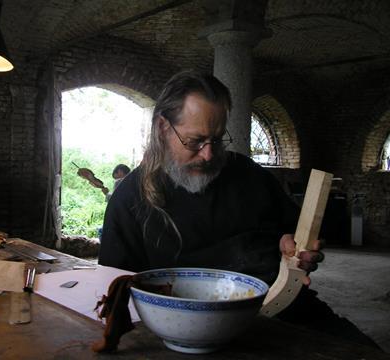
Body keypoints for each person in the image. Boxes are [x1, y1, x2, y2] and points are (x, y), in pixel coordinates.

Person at [98, 71, 379, 347]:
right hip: (185, 330)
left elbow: (295, 233)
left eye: (217, 140)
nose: (208, 154)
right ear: (162, 128)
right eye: (195, 141)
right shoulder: (129, 199)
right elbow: (118, 291)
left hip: (286, 312)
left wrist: (295, 247)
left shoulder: (248, 174)